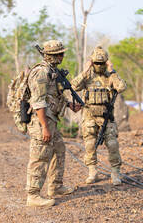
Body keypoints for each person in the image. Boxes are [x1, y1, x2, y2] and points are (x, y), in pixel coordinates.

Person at [26, 40, 82, 207]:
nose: (62, 56)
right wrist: (44, 127)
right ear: (51, 55)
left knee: (58, 150)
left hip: (51, 120)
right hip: (41, 121)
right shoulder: (41, 73)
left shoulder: (52, 71)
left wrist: (69, 105)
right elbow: (38, 102)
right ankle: (33, 195)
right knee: (40, 156)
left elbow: (53, 96)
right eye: (60, 54)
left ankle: (55, 187)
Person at [71, 46, 126, 186]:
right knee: (90, 145)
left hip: (106, 117)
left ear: (106, 63)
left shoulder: (110, 77)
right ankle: (92, 172)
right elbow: (73, 86)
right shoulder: (87, 77)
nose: (99, 66)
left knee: (113, 145)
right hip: (89, 116)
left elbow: (121, 87)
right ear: (92, 62)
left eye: (102, 63)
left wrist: (112, 71)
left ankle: (115, 173)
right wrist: (85, 71)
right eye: (96, 63)